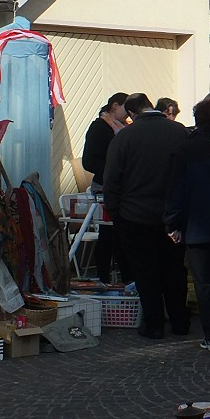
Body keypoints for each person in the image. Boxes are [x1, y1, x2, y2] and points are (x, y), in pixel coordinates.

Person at [103, 93, 190, 339]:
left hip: (135, 217)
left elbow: (112, 180)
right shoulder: (178, 131)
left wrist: (116, 212)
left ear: (131, 113)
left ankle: (154, 324)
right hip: (173, 217)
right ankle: (180, 321)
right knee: (175, 270)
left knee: (146, 272)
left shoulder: (124, 138)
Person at [166, 98, 210, 353]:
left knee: (205, 285)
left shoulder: (185, 149)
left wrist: (173, 222)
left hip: (197, 227)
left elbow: (177, 190)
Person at [81, 92, 130, 284]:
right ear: (115, 106)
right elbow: (89, 161)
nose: (128, 114)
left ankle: (121, 278)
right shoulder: (99, 128)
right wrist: (113, 170)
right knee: (108, 234)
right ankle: (104, 277)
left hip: (120, 187)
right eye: (126, 109)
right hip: (105, 187)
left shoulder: (123, 127)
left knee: (118, 235)